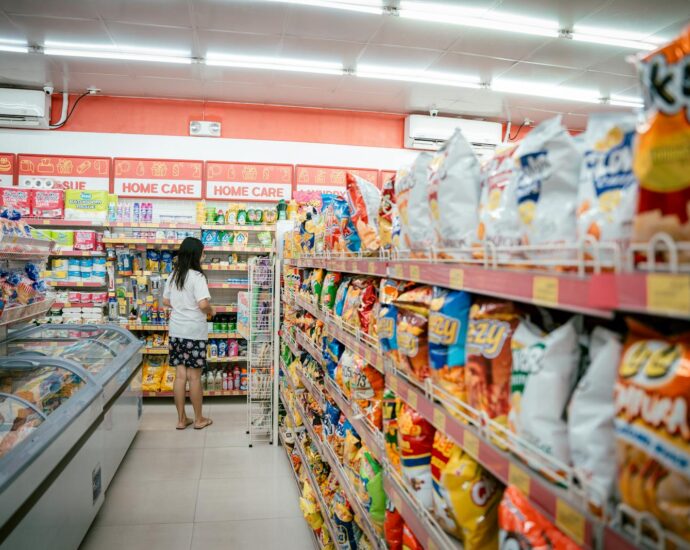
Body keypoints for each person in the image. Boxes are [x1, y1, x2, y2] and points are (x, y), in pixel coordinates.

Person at [163, 237, 214, 430]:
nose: (204, 255)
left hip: (176, 330)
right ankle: (199, 419)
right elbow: (203, 304)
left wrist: (181, 304)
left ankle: (181, 419)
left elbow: (166, 301)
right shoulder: (197, 277)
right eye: (202, 252)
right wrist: (212, 310)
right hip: (194, 331)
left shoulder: (174, 275)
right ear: (195, 254)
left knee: (180, 376)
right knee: (194, 377)